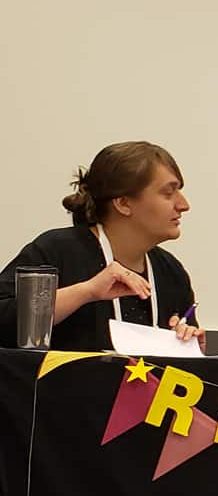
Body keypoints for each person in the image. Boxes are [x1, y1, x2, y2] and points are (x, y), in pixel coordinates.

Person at [0, 141, 203, 351]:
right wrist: (87, 291)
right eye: (168, 193)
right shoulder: (57, 250)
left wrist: (189, 345)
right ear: (123, 203)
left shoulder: (171, 272)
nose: (183, 205)